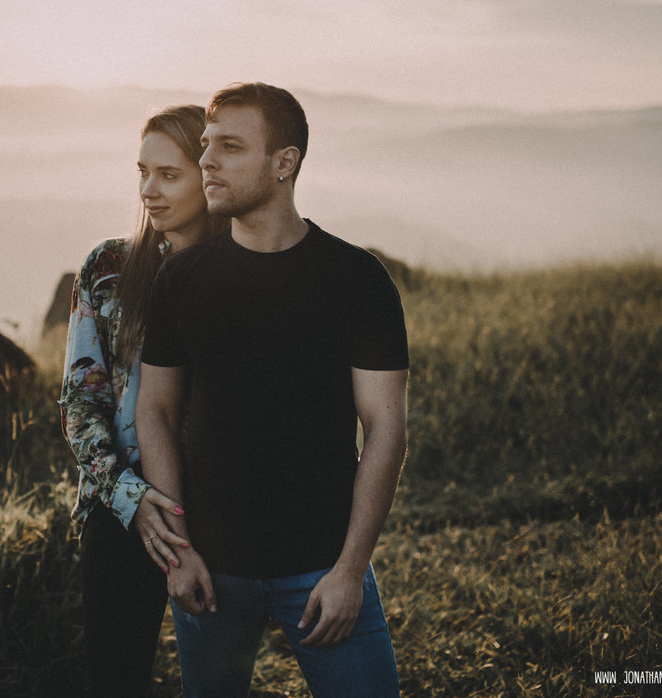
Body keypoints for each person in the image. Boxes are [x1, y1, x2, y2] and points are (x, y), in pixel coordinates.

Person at [135, 83, 409, 698]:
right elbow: (154, 409)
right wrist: (179, 555)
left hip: (322, 569)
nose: (207, 161)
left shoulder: (357, 278)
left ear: (285, 163)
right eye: (207, 146)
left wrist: (350, 570)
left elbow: (386, 428)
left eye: (230, 147)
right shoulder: (181, 279)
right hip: (210, 573)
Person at [60, 104, 228, 698]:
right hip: (120, 513)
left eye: (169, 174)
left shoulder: (242, 276)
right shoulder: (107, 269)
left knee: (215, 676)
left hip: (217, 510)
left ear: (208, 177)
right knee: (116, 675)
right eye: (142, 172)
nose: (149, 191)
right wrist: (131, 500)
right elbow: (80, 405)